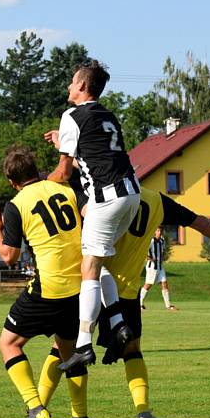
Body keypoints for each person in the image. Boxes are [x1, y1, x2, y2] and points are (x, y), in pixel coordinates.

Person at [32, 186, 210, 418]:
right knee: (133, 351)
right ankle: (144, 415)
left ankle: (44, 411)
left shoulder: (107, 196)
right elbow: (198, 221)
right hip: (127, 292)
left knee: (64, 347)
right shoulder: (157, 200)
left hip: (93, 284)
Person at [0, 146, 90, 418]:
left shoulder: (16, 204)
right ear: (35, 169)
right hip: (80, 286)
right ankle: (80, 417)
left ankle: (35, 409)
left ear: (11, 180)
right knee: (69, 352)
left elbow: (9, 257)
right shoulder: (63, 188)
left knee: (8, 344)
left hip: (48, 288)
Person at [44, 59, 141, 371]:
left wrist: (38, 187)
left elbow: (63, 171)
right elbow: (92, 154)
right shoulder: (106, 115)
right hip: (132, 193)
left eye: (73, 82)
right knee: (98, 264)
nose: (69, 87)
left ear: (83, 86)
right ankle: (117, 322)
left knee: (88, 266)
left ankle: (84, 343)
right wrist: (63, 142)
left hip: (107, 195)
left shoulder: (71, 115)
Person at [139, 227, 176, 311]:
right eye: (158, 231)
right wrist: (151, 259)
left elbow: (162, 251)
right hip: (152, 266)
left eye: (160, 231)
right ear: (154, 232)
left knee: (164, 283)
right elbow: (143, 251)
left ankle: (168, 305)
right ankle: (139, 303)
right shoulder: (151, 241)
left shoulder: (162, 241)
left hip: (160, 266)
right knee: (148, 284)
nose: (159, 232)